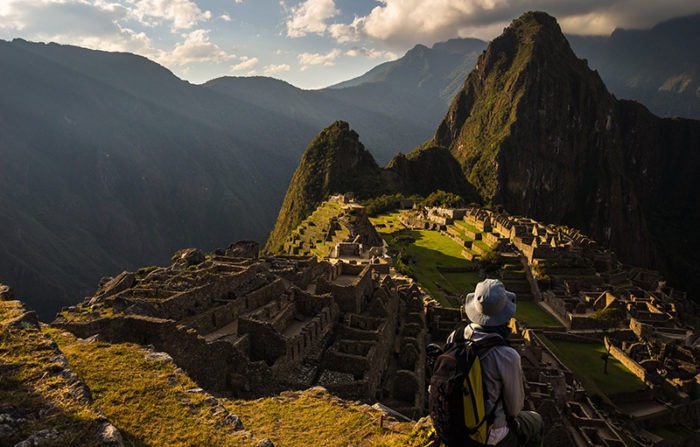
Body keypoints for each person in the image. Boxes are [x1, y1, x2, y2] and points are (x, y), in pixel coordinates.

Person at [447, 278, 543, 447]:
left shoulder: (455, 337)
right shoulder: (506, 355)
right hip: (488, 434)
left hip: (452, 426)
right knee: (536, 421)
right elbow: (514, 409)